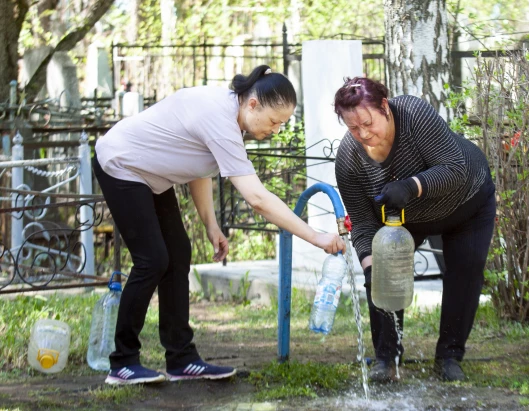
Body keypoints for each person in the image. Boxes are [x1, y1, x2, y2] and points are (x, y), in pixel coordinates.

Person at [94, 65, 345, 385]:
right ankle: (123, 362)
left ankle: (181, 359)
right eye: (274, 122)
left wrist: (211, 225)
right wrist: (315, 236)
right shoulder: (218, 116)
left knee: (178, 254)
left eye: (282, 124)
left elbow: (198, 168)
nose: (276, 130)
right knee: (153, 259)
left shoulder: (231, 116)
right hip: (121, 164)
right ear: (252, 104)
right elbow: (257, 198)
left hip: (150, 176)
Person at [333, 77, 496, 382]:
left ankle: (449, 357)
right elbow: (364, 222)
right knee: (382, 274)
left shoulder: (413, 113)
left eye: (368, 123)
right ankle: (387, 360)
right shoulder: (348, 159)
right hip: (405, 220)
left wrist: (412, 186)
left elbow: (454, 169)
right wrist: (370, 265)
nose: (364, 134)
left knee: (466, 271)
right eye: (353, 128)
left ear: (384, 107)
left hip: (467, 200)